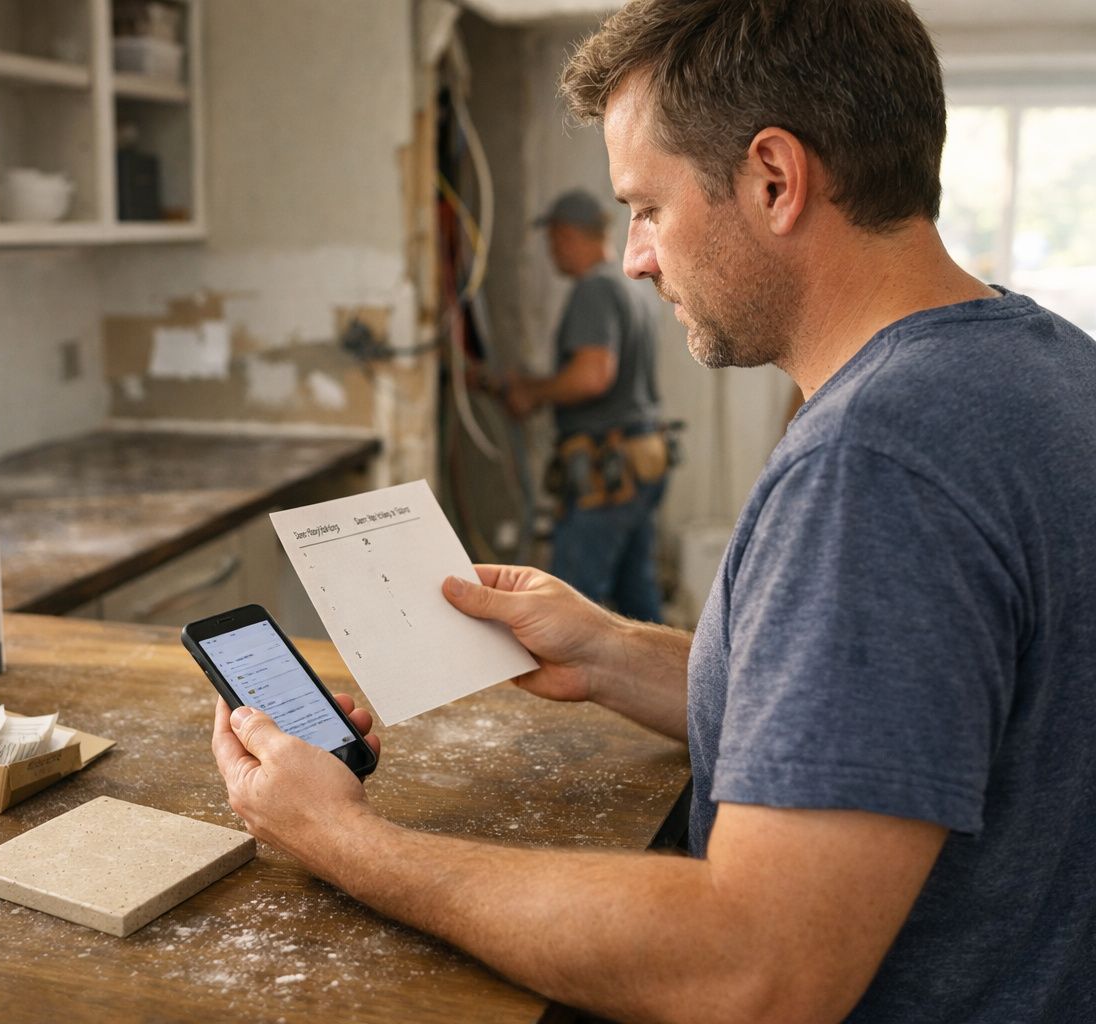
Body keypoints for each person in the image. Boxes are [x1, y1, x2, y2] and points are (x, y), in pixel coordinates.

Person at [211, 1, 1096, 1021]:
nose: (634, 257)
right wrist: (609, 650)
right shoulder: (1045, 365)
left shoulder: (872, 465)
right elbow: (901, 722)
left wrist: (348, 841)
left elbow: (755, 967)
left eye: (648, 207)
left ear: (774, 178)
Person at [504, 189, 669, 622]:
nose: (553, 251)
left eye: (554, 241)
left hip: (605, 470)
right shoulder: (631, 289)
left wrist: (532, 394)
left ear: (567, 236)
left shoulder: (593, 289)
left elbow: (592, 375)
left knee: (572, 605)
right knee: (638, 600)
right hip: (641, 462)